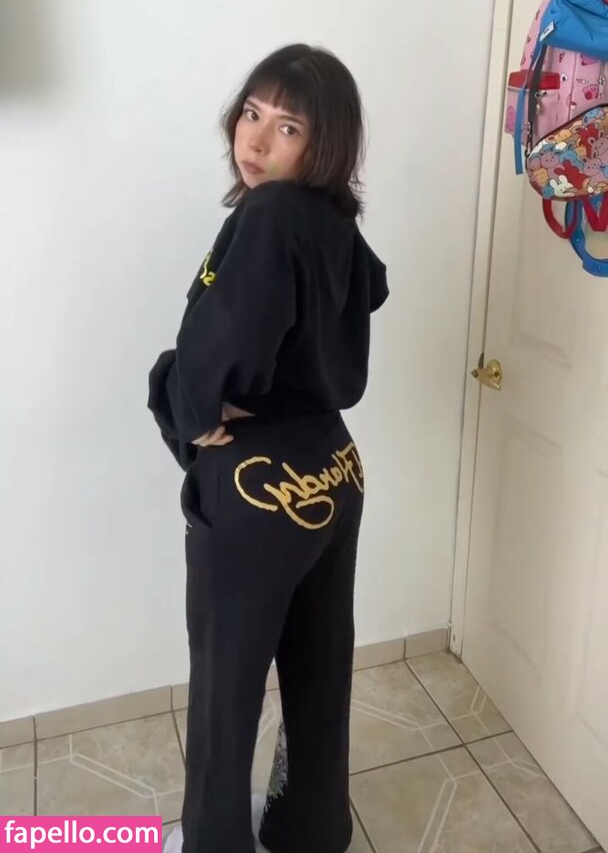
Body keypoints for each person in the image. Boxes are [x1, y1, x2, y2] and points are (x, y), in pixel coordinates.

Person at [148, 44, 388, 853]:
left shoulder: (269, 216)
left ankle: (216, 842)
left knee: (226, 692)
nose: (254, 139)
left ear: (325, 144)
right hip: (334, 468)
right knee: (320, 670)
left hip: (258, 487)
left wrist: (179, 393)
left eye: (287, 126)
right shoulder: (335, 222)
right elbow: (368, 291)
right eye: (252, 113)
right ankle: (309, 828)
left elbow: (215, 362)